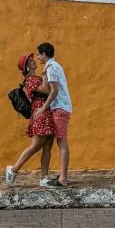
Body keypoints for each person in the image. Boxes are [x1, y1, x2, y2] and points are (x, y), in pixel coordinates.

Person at [5, 53, 55, 186]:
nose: (34, 62)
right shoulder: (30, 79)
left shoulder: (35, 77)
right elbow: (45, 90)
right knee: (36, 146)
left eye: (33, 60)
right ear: (26, 67)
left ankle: (44, 178)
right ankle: (13, 169)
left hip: (47, 111)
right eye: (31, 61)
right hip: (40, 112)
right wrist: (45, 74)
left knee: (48, 145)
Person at [34, 41, 72, 187]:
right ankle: (64, 176)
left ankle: (63, 178)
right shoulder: (54, 66)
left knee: (62, 142)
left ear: (44, 54)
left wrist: (43, 108)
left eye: (38, 54)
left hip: (60, 108)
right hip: (63, 107)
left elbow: (53, 91)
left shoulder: (50, 68)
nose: (38, 57)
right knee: (61, 142)